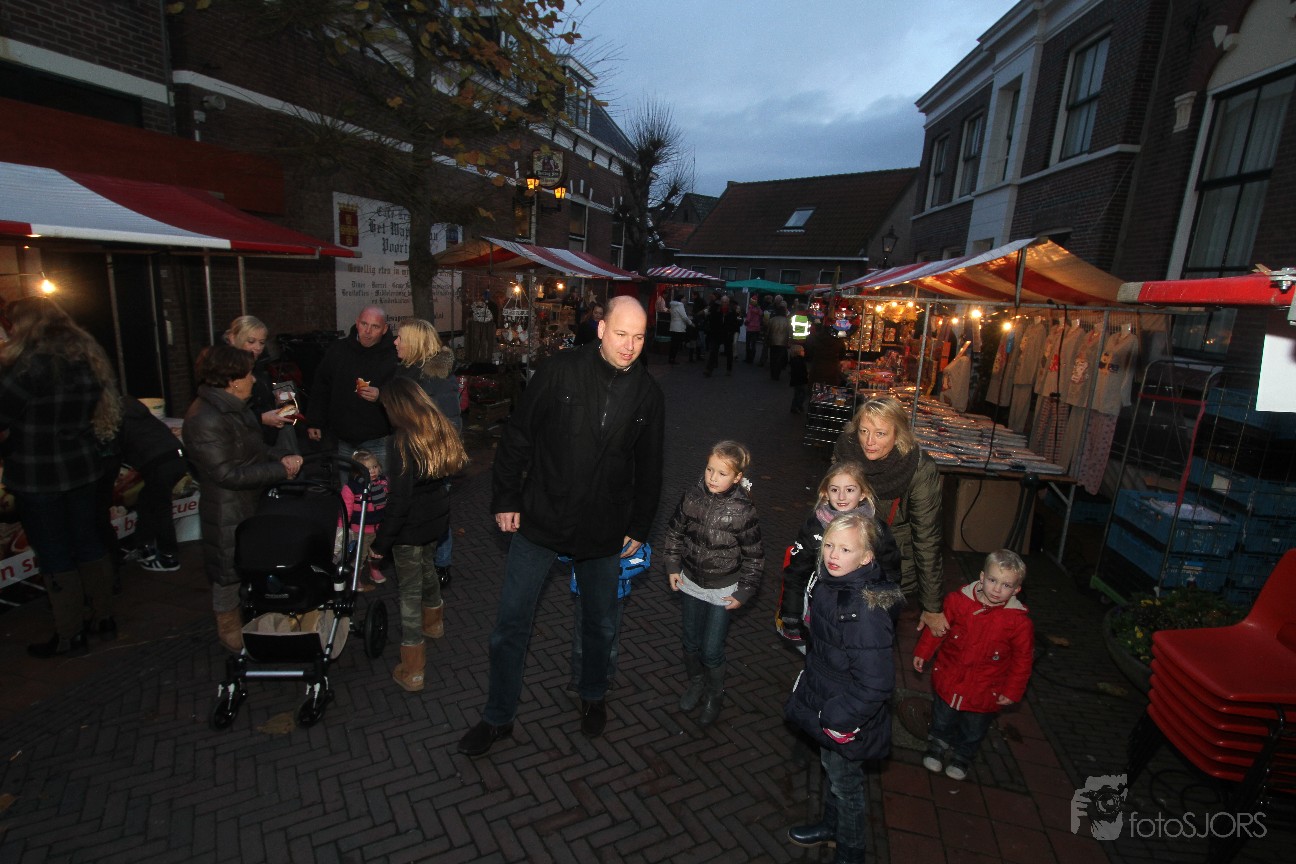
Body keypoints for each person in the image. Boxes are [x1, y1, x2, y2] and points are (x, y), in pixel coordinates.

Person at [458, 295, 665, 757]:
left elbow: (650, 468)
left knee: (599, 623)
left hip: (603, 526)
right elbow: (518, 435)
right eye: (621, 334)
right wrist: (506, 496)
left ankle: (592, 694)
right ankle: (497, 716)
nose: (629, 346)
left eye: (638, 337)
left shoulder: (648, 394)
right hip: (542, 516)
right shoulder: (559, 371)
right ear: (601, 329)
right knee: (511, 623)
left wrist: (640, 525)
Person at [0, 296, 122, 657]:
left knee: (53, 551)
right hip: (81, 466)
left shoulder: (26, 367)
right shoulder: (85, 359)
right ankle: (103, 617)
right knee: (88, 541)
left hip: (38, 473)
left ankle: (70, 634)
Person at [784, 513, 904, 864]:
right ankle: (831, 826)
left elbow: (876, 683)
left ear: (867, 557)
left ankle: (851, 853)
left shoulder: (863, 609)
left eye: (845, 549)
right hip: (829, 700)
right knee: (834, 774)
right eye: (829, 546)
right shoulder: (832, 583)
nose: (833, 555)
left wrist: (838, 717)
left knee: (847, 787)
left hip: (847, 716)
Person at [183, 345, 303, 652]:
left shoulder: (234, 408)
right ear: (232, 381)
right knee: (228, 571)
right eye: (248, 374)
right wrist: (280, 470)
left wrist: (281, 458)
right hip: (227, 509)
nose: (254, 379)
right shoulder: (205, 418)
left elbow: (255, 450)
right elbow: (226, 474)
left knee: (252, 561)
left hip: (249, 502)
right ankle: (230, 631)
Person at [367, 377, 468, 693]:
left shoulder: (401, 440)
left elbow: (399, 500)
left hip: (410, 526)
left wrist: (381, 544)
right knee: (427, 569)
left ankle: (412, 668)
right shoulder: (435, 426)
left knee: (408, 591)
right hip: (434, 519)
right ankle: (434, 623)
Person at [662, 440, 764, 727]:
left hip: (723, 589)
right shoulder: (692, 497)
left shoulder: (744, 510)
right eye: (709, 469)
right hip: (691, 582)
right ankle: (696, 682)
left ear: (738, 477)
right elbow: (674, 533)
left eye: (722, 473)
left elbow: (754, 556)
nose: (713, 478)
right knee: (690, 642)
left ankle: (714, 695)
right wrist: (673, 566)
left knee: (711, 649)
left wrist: (745, 591)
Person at [913, 549, 1034, 781]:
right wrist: (923, 651)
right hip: (950, 677)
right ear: (982, 577)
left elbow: (1023, 660)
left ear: (1016, 590)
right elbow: (938, 628)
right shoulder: (958, 602)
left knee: (974, 727)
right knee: (942, 717)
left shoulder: (1018, 623)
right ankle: (936, 747)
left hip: (985, 688)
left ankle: (962, 756)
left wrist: (1012, 690)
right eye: (993, 580)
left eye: (1006, 585)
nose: (997, 589)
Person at [833, 395, 947, 635]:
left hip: (892, 567)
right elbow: (830, 510)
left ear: (898, 434)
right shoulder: (846, 453)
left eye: (880, 434)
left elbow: (927, 538)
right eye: (864, 431)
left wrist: (932, 605)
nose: (869, 442)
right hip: (845, 563)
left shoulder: (918, 469)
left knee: (874, 636)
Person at [776, 460, 900, 645]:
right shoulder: (815, 525)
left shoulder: (876, 529)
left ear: (863, 493)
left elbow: (890, 574)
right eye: (834, 490)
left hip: (859, 612)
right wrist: (791, 613)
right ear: (825, 493)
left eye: (850, 490)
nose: (841, 496)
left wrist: (886, 616)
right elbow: (796, 572)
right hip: (820, 607)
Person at [393, 318, 462, 587]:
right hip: (407, 455)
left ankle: (441, 564)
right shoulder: (402, 372)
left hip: (431, 459)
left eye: (400, 337)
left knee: (437, 512)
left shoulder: (438, 378)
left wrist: (437, 459)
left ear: (414, 343)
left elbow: (452, 424)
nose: (395, 342)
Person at [306, 305, 398, 466]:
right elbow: (321, 386)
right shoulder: (339, 350)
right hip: (344, 436)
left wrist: (381, 395)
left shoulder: (394, 355)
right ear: (357, 323)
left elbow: (403, 392)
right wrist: (315, 420)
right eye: (364, 324)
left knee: (380, 481)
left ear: (384, 329)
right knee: (348, 481)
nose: (367, 331)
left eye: (375, 326)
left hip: (379, 437)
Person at [566, 542, 651, 697]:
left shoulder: (628, 534)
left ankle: (607, 675)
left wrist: (613, 569)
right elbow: (563, 553)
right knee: (580, 640)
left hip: (614, 596)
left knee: (610, 639)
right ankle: (578, 677)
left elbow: (643, 558)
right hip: (584, 594)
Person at [118, 397, 189, 572]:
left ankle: (168, 556)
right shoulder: (140, 414)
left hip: (158, 464)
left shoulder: (118, 419)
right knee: (147, 500)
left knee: (160, 508)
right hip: (177, 456)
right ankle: (144, 546)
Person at [225, 315, 297, 456]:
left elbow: (265, 395)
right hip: (246, 445)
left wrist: (278, 399)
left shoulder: (259, 364)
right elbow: (227, 413)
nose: (258, 347)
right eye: (251, 341)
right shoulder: (225, 369)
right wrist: (261, 418)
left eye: (262, 342)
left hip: (268, 438)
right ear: (234, 339)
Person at [342, 450, 388, 590]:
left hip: (379, 527)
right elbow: (346, 510)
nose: (372, 471)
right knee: (359, 556)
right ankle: (355, 577)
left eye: (375, 467)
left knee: (377, 553)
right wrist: (342, 528)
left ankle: (374, 569)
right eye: (367, 469)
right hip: (360, 529)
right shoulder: (352, 487)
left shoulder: (383, 483)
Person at [765, 299, 792, 380]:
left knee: (773, 358)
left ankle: (773, 373)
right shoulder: (787, 321)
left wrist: (767, 341)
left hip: (773, 341)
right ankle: (777, 374)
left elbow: (768, 332)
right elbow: (790, 332)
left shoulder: (772, 320)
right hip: (783, 342)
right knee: (779, 359)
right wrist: (789, 341)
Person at [667, 292, 692, 364]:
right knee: (676, 344)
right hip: (679, 327)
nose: (685, 299)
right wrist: (690, 323)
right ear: (680, 299)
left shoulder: (673, 305)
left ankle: (670, 358)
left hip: (673, 326)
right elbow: (684, 317)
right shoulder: (680, 305)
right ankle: (673, 359)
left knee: (673, 344)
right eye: (684, 298)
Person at [788, 344, 808, 414]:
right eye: (803, 351)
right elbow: (800, 371)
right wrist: (806, 376)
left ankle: (796, 406)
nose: (804, 352)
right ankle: (797, 406)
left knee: (798, 394)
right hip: (800, 380)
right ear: (798, 352)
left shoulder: (796, 360)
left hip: (797, 380)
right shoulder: (799, 361)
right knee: (801, 394)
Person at [743, 295, 763, 364]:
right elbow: (761, 314)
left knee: (748, 344)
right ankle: (752, 358)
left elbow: (748, 319)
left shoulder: (750, 309)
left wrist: (745, 323)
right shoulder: (759, 309)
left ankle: (748, 358)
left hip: (750, 328)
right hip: (756, 329)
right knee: (753, 344)